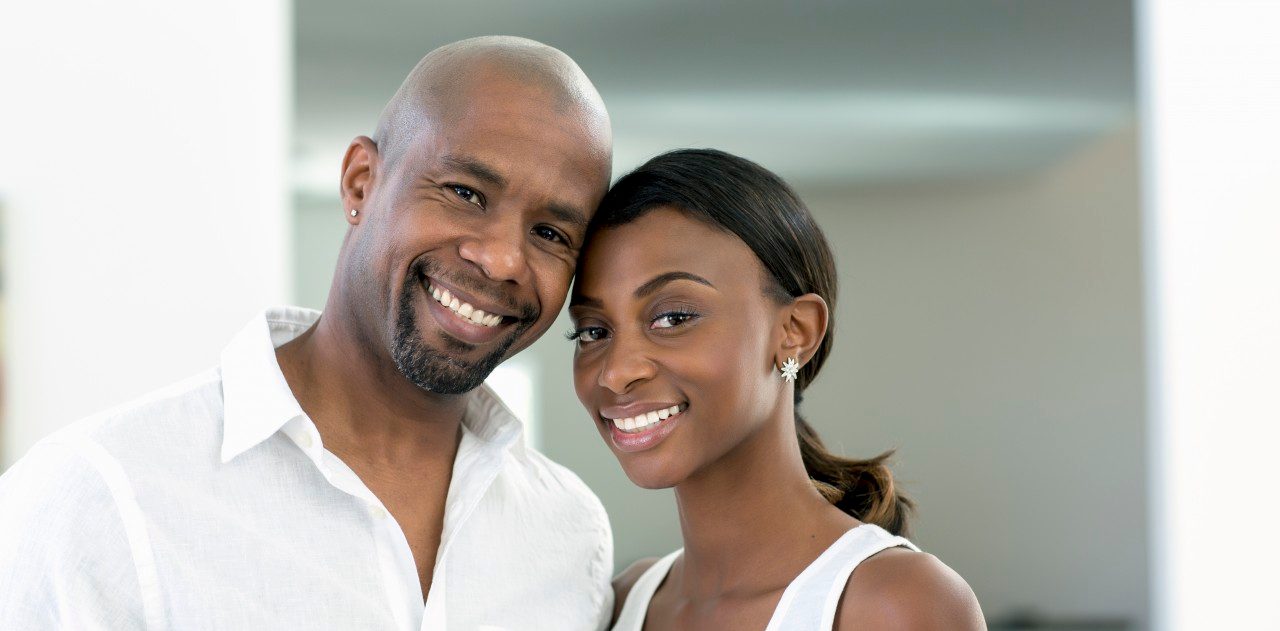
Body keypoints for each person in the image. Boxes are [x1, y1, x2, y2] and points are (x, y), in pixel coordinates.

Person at [0, 36, 615, 630]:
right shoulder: (97, 497)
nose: (503, 260)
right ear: (360, 183)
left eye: (551, 234)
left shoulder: (568, 534)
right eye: (465, 193)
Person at [568, 149, 986, 630]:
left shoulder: (896, 605)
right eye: (593, 331)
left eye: (673, 317)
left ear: (795, 331)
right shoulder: (623, 603)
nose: (616, 373)